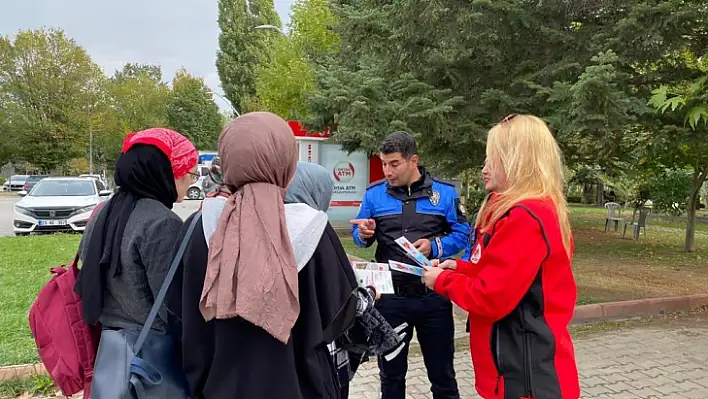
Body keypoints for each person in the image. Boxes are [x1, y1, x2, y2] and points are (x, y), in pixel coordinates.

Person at [166, 112, 360, 399]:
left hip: (215, 388)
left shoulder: (198, 227)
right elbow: (342, 315)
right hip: (299, 387)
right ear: (287, 164)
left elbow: (178, 315)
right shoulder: (313, 228)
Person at [422, 114, 580, 399]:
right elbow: (504, 274)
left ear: (516, 160)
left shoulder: (525, 216)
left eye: (492, 158)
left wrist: (443, 281)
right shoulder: (531, 209)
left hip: (524, 376)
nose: (484, 168)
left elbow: (491, 297)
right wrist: (459, 268)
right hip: (519, 367)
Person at [74, 128, 198, 395]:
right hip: (151, 357)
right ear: (164, 171)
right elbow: (171, 304)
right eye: (187, 172)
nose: (190, 181)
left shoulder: (104, 210)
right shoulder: (161, 221)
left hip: (111, 348)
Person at [350, 131, 471, 399]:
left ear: (413, 160)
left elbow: (463, 234)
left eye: (394, 164)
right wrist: (365, 233)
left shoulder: (445, 194)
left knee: (442, 376)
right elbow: (359, 236)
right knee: (391, 377)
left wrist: (435, 246)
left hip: (433, 299)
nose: (387, 171)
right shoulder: (373, 195)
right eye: (383, 163)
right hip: (391, 301)